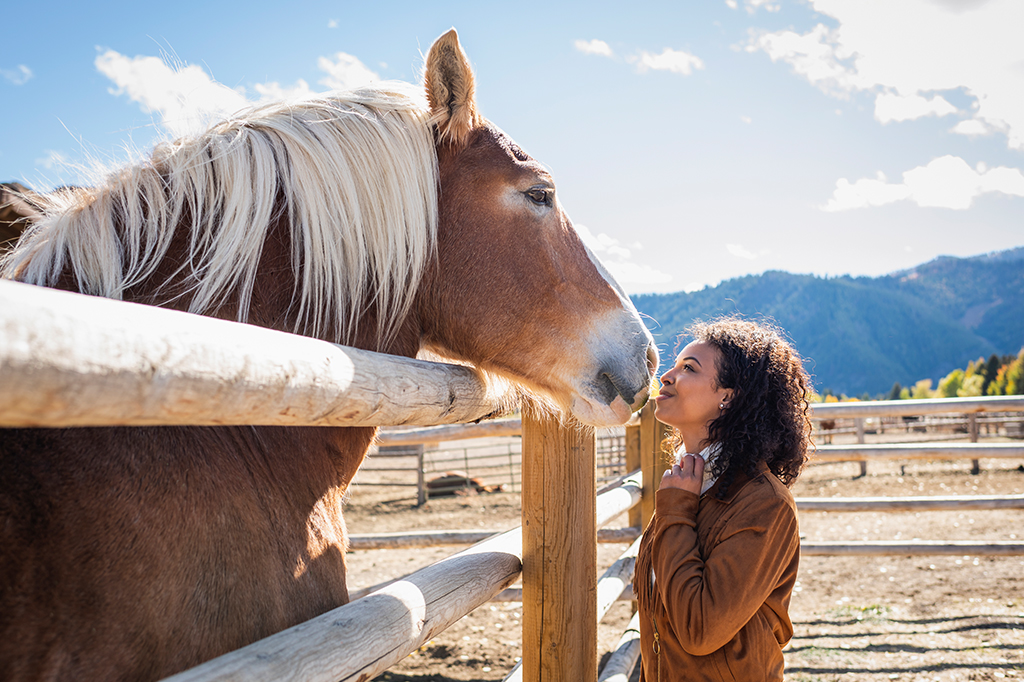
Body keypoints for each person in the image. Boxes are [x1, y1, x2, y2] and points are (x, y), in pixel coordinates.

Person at [633, 316, 813, 681]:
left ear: (728, 397)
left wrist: (676, 512)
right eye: (675, 364)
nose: (665, 376)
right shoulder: (687, 482)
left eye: (689, 368)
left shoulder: (764, 503)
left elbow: (700, 630)